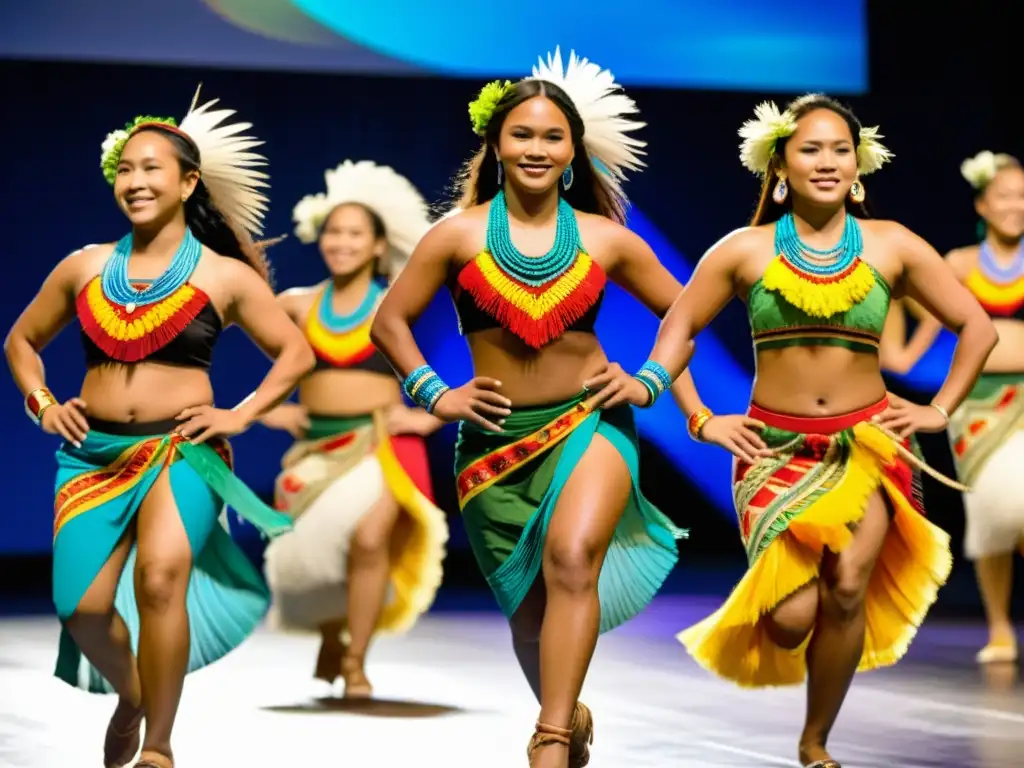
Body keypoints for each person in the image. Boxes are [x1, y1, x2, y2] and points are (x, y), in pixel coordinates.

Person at [370, 48, 756, 768]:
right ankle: (566, 712)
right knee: (528, 617)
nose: (537, 148)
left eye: (552, 136)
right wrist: (436, 393)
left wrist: (655, 386)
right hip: (491, 448)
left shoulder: (607, 238)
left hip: (589, 427)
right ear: (496, 144)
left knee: (572, 558)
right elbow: (389, 324)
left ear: (574, 150)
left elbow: (684, 317)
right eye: (522, 134)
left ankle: (548, 739)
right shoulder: (454, 235)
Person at [662, 95, 997, 767]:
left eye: (839, 149)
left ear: (858, 164)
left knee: (847, 591)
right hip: (771, 448)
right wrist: (700, 418)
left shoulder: (893, 244)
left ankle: (816, 741)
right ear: (780, 164)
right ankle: (807, 708)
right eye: (810, 149)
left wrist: (939, 409)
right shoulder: (744, 249)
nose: (827, 161)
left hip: (866, 444)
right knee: (788, 622)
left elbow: (977, 328)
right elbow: (675, 333)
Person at [3, 89, 314, 768]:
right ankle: (135, 694)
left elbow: (296, 353)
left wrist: (241, 412)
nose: (136, 182)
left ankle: (161, 748)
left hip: (183, 452)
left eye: (152, 168)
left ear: (188, 181)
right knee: (80, 608)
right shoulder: (84, 266)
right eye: (126, 170)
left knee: (162, 577)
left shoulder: (223, 276)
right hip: (92, 457)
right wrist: (42, 401)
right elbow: (21, 342)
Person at [259, 160, 449, 697]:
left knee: (369, 541)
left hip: (379, 445)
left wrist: (428, 415)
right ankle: (331, 633)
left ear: (376, 245)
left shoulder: (398, 305)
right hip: (316, 446)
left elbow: (447, 365)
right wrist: (269, 410)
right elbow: (265, 360)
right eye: (333, 232)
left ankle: (358, 660)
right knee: (313, 553)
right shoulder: (295, 305)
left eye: (354, 234)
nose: (340, 242)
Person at [881, 150, 1024, 663]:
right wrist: (890, 297)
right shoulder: (958, 266)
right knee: (992, 515)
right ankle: (1000, 627)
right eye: (1006, 195)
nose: (1017, 205)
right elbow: (906, 344)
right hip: (979, 409)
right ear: (983, 205)